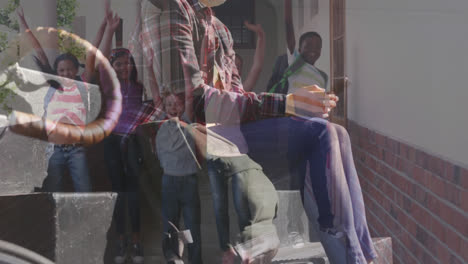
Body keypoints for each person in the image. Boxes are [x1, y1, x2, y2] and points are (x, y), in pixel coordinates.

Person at [131, 0, 376, 263]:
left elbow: (236, 97)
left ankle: (363, 254)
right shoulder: (169, 8)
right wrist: (288, 103)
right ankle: (351, 257)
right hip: (187, 142)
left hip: (229, 133)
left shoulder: (220, 28)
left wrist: (296, 106)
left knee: (336, 132)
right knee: (320, 134)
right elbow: (190, 104)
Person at [16, 5, 104, 192]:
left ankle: (81, 220)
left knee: (84, 189)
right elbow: (39, 51)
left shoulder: (81, 86)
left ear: (76, 70)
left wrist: (104, 26)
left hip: (76, 150)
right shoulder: (53, 85)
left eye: (70, 69)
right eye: (62, 70)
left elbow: (91, 55)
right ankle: (55, 220)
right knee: (52, 190)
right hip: (54, 149)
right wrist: (24, 23)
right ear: (56, 73)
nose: (66, 73)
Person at [99, 2, 144, 263]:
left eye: (128, 63)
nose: (124, 66)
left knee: (134, 192)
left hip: (135, 143)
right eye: (119, 63)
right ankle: (120, 241)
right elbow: (102, 60)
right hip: (113, 142)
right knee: (117, 191)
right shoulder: (109, 84)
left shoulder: (139, 85)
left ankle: (136, 242)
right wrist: (109, 29)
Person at [155, 92, 203, 264]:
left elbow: (190, 95)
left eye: (177, 104)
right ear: (164, 108)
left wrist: (186, 66)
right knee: (170, 227)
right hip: (169, 181)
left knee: (192, 227)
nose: (173, 107)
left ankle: (196, 260)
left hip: (188, 181)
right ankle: (173, 260)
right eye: (169, 104)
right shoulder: (162, 122)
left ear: (184, 106)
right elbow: (156, 95)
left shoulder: (187, 121)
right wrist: (151, 67)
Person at [235, 21, 265, 92]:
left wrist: (261, 35)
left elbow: (257, 67)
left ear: (240, 73)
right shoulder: (215, 88)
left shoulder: (241, 91)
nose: (234, 69)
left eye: (238, 67)